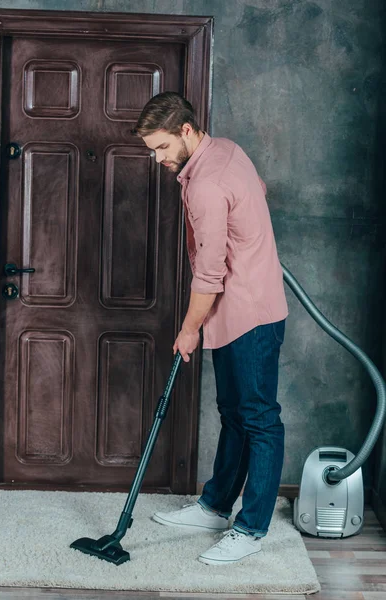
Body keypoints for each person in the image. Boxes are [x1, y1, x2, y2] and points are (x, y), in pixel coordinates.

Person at [135, 92, 288, 566]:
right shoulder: (226, 149)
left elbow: (209, 272)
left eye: (160, 147)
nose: (157, 159)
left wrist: (187, 330)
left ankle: (252, 527)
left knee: (260, 420)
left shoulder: (206, 183)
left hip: (250, 314)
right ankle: (216, 506)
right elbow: (257, 189)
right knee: (234, 413)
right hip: (235, 309)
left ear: (185, 130)